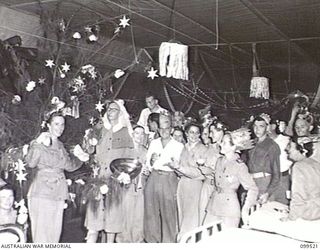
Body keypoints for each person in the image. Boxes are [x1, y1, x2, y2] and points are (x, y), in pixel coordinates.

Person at [25, 112, 89, 243]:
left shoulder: (60, 145)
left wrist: (82, 157)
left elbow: (69, 166)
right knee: (41, 235)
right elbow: (31, 163)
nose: (60, 128)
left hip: (58, 191)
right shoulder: (40, 142)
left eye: (62, 124)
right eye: (56, 124)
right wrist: (37, 143)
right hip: (42, 190)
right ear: (48, 125)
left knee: (55, 234)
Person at [84, 100, 134, 243]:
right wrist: (90, 139)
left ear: (120, 113)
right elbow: (89, 151)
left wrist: (124, 175)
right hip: (97, 179)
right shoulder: (100, 130)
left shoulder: (125, 133)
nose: (110, 111)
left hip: (114, 181)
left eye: (114, 109)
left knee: (112, 219)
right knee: (94, 217)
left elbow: (129, 158)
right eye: (109, 109)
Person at [204, 132, 258, 228]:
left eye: (224, 143)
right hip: (213, 205)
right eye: (222, 142)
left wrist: (246, 208)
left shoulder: (239, 166)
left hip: (229, 210)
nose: (221, 144)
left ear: (233, 147)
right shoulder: (219, 161)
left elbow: (253, 188)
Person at [144, 114, 184, 243]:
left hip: (169, 178)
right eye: (161, 129)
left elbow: (179, 167)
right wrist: (151, 160)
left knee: (169, 212)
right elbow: (149, 165)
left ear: (172, 129)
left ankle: (169, 242)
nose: (164, 132)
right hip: (154, 177)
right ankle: (152, 241)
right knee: (151, 211)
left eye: (167, 129)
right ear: (158, 130)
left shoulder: (179, 146)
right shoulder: (154, 143)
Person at [170, 123, 208, 240]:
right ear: (186, 134)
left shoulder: (203, 149)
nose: (194, 135)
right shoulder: (183, 148)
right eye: (191, 132)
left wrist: (180, 168)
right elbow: (178, 169)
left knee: (192, 218)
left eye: (197, 132)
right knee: (181, 215)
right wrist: (178, 169)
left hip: (195, 186)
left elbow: (200, 173)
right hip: (182, 184)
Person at [117, 125, 147, 243]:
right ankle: (124, 241)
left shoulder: (145, 150)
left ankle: (137, 240)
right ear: (132, 134)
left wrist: (147, 170)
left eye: (142, 134)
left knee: (138, 215)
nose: (139, 136)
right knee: (126, 214)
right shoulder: (125, 150)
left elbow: (148, 167)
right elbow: (118, 168)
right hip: (127, 187)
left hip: (140, 187)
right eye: (137, 133)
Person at [247, 115, 281, 204]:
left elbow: (277, 174)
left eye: (261, 126)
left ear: (267, 127)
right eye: (255, 126)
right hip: (250, 183)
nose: (257, 129)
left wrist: (268, 193)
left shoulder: (272, 145)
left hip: (264, 183)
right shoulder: (250, 143)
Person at [199, 120, 226, 223]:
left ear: (221, 132)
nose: (210, 135)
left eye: (212, 132)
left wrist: (211, 171)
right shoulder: (210, 147)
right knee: (203, 215)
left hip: (220, 188)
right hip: (207, 185)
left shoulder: (228, 149)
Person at [285, 139, 320, 221]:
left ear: (301, 150)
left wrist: (291, 218)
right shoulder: (315, 163)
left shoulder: (298, 166)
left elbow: (298, 195)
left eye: (290, 146)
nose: (287, 149)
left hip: (308, 214)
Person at [268, 120, 292, 205]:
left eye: (264, 125)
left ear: (273, 126)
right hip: (266, 180)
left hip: (283, 180)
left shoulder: (286, 140)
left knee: (283, 206)